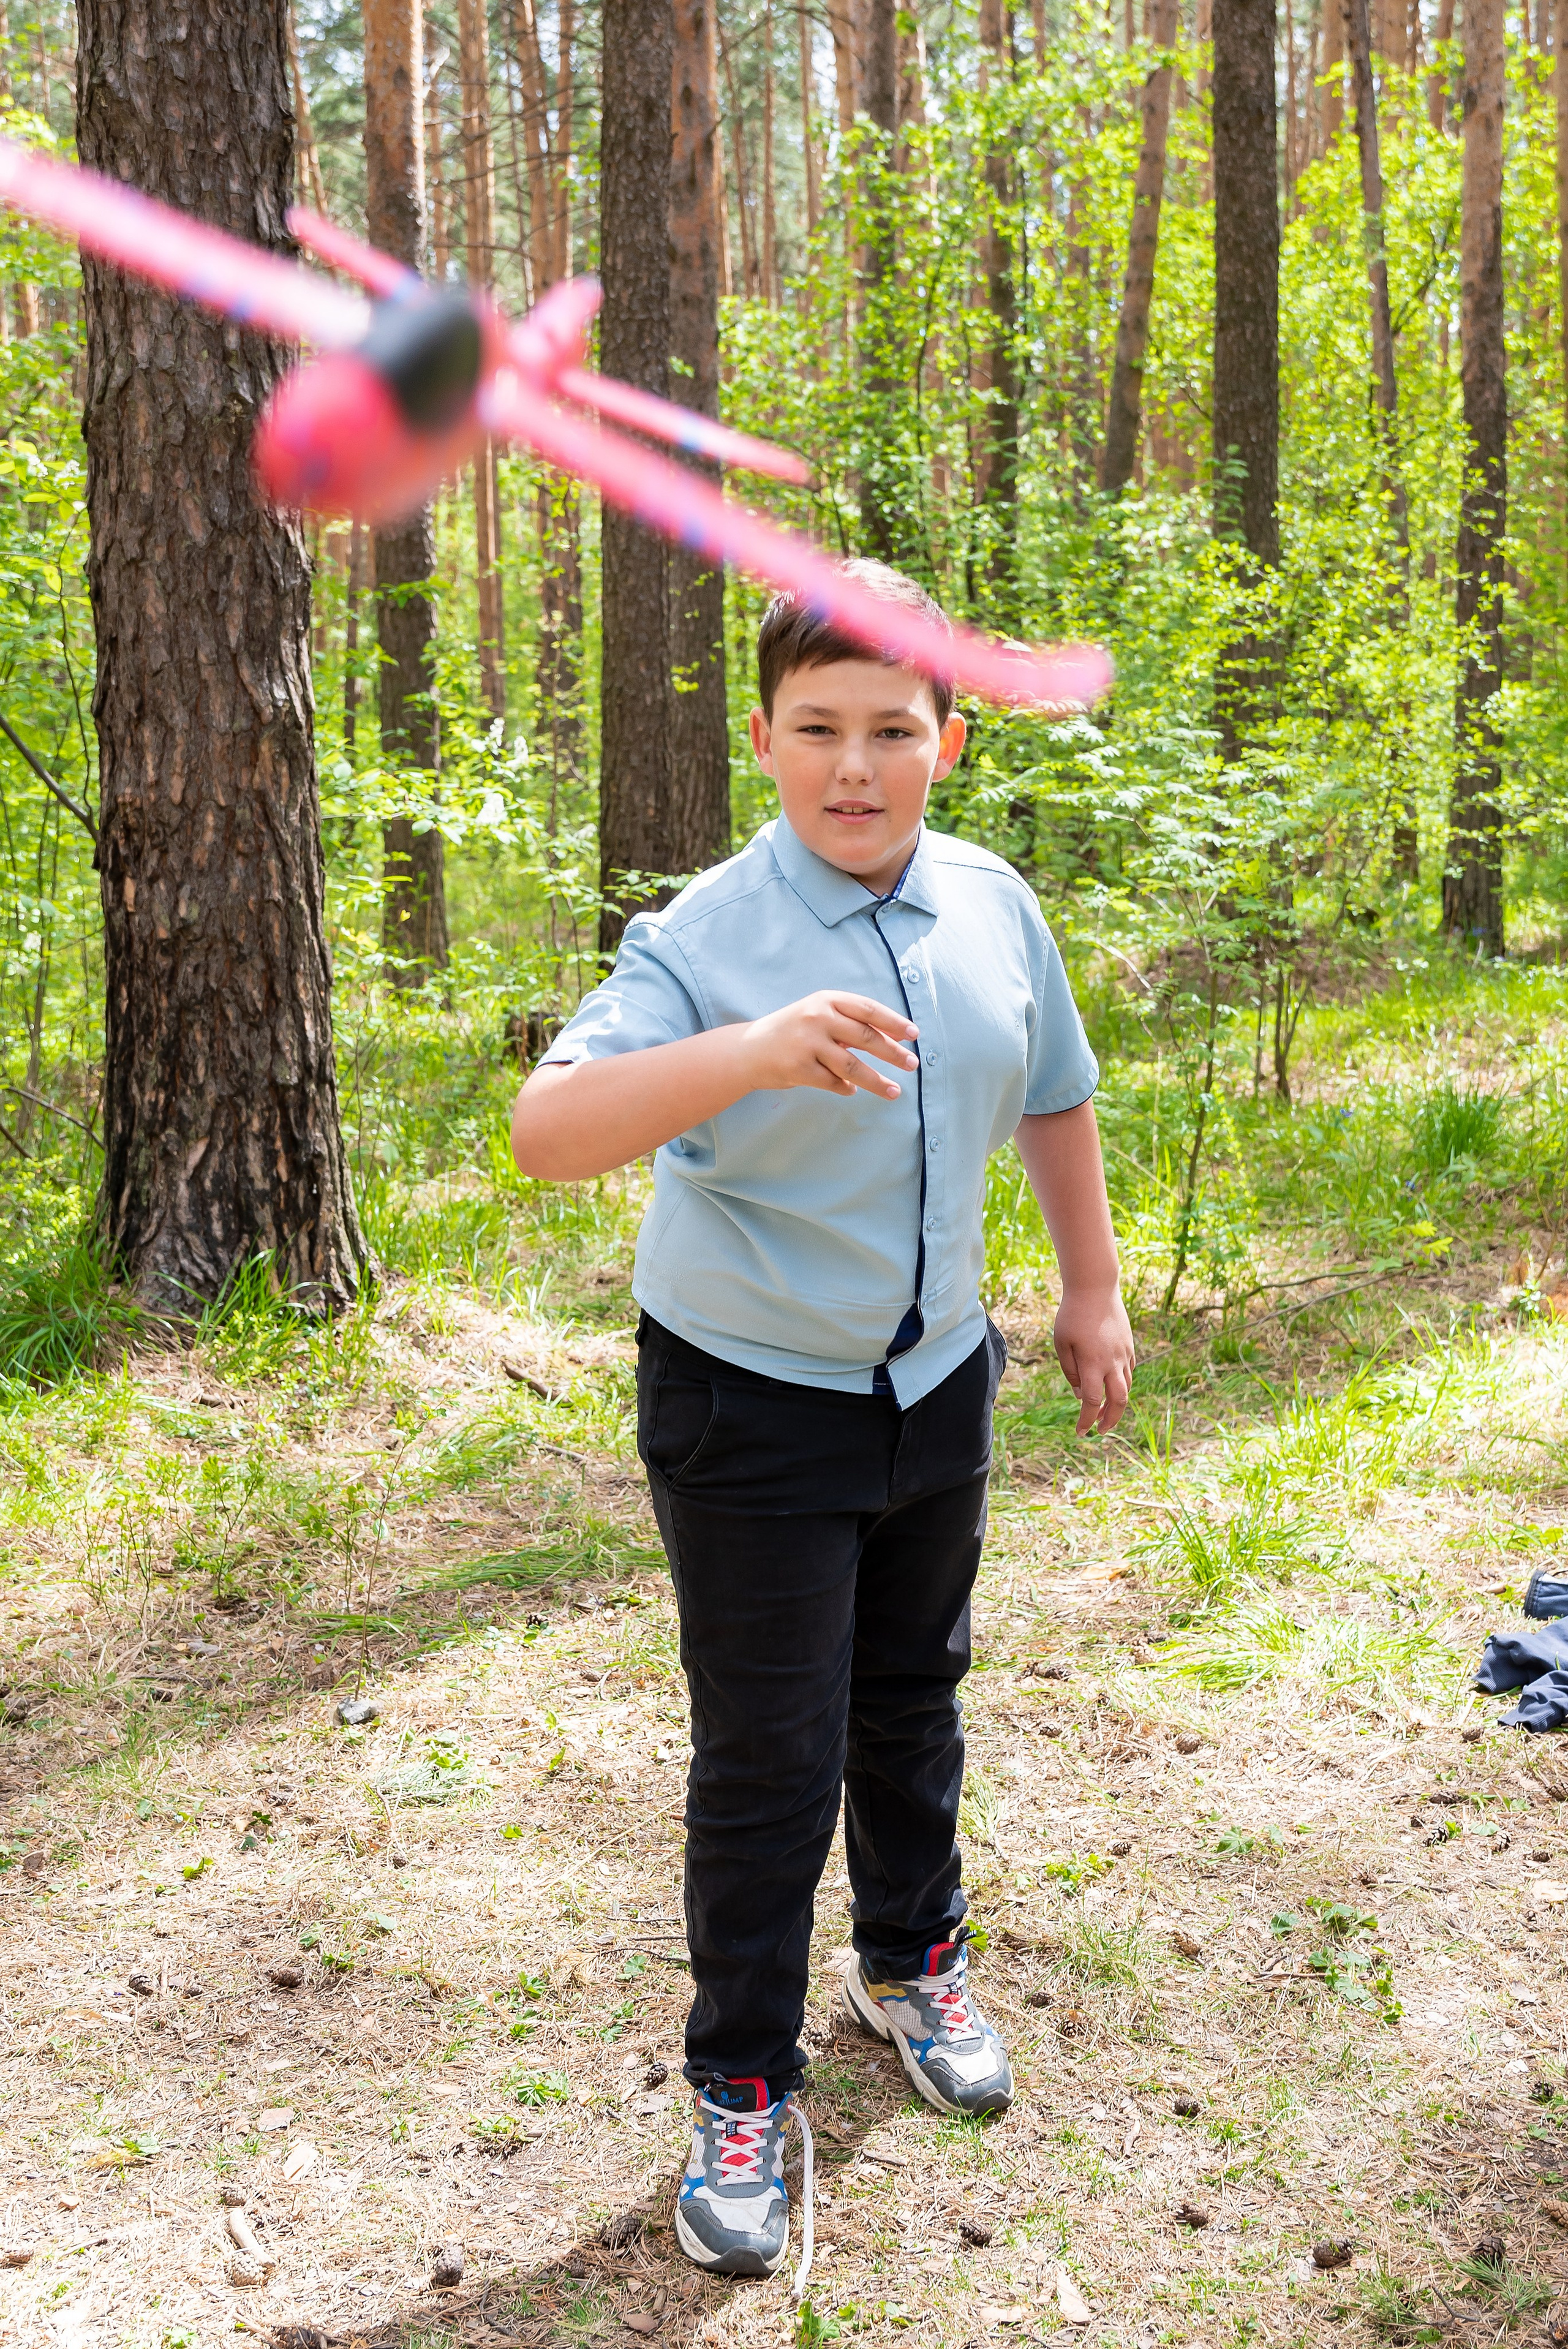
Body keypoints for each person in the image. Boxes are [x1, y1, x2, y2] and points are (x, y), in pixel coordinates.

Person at [510, 559, 1135, 2282]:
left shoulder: (996, 904)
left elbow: (1058, 1088)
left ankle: (910, 1961)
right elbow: (547, 1130)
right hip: (749, 1401)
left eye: (891, 729)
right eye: (816, 730)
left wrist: (1088, 1289)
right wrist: (755, 1050)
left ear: (946, 738)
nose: (854, 767)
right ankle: (738, 2080)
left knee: (913, 1692)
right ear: (766, 740)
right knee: (772, 1751)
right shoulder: (705, 938)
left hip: (936, 1380)